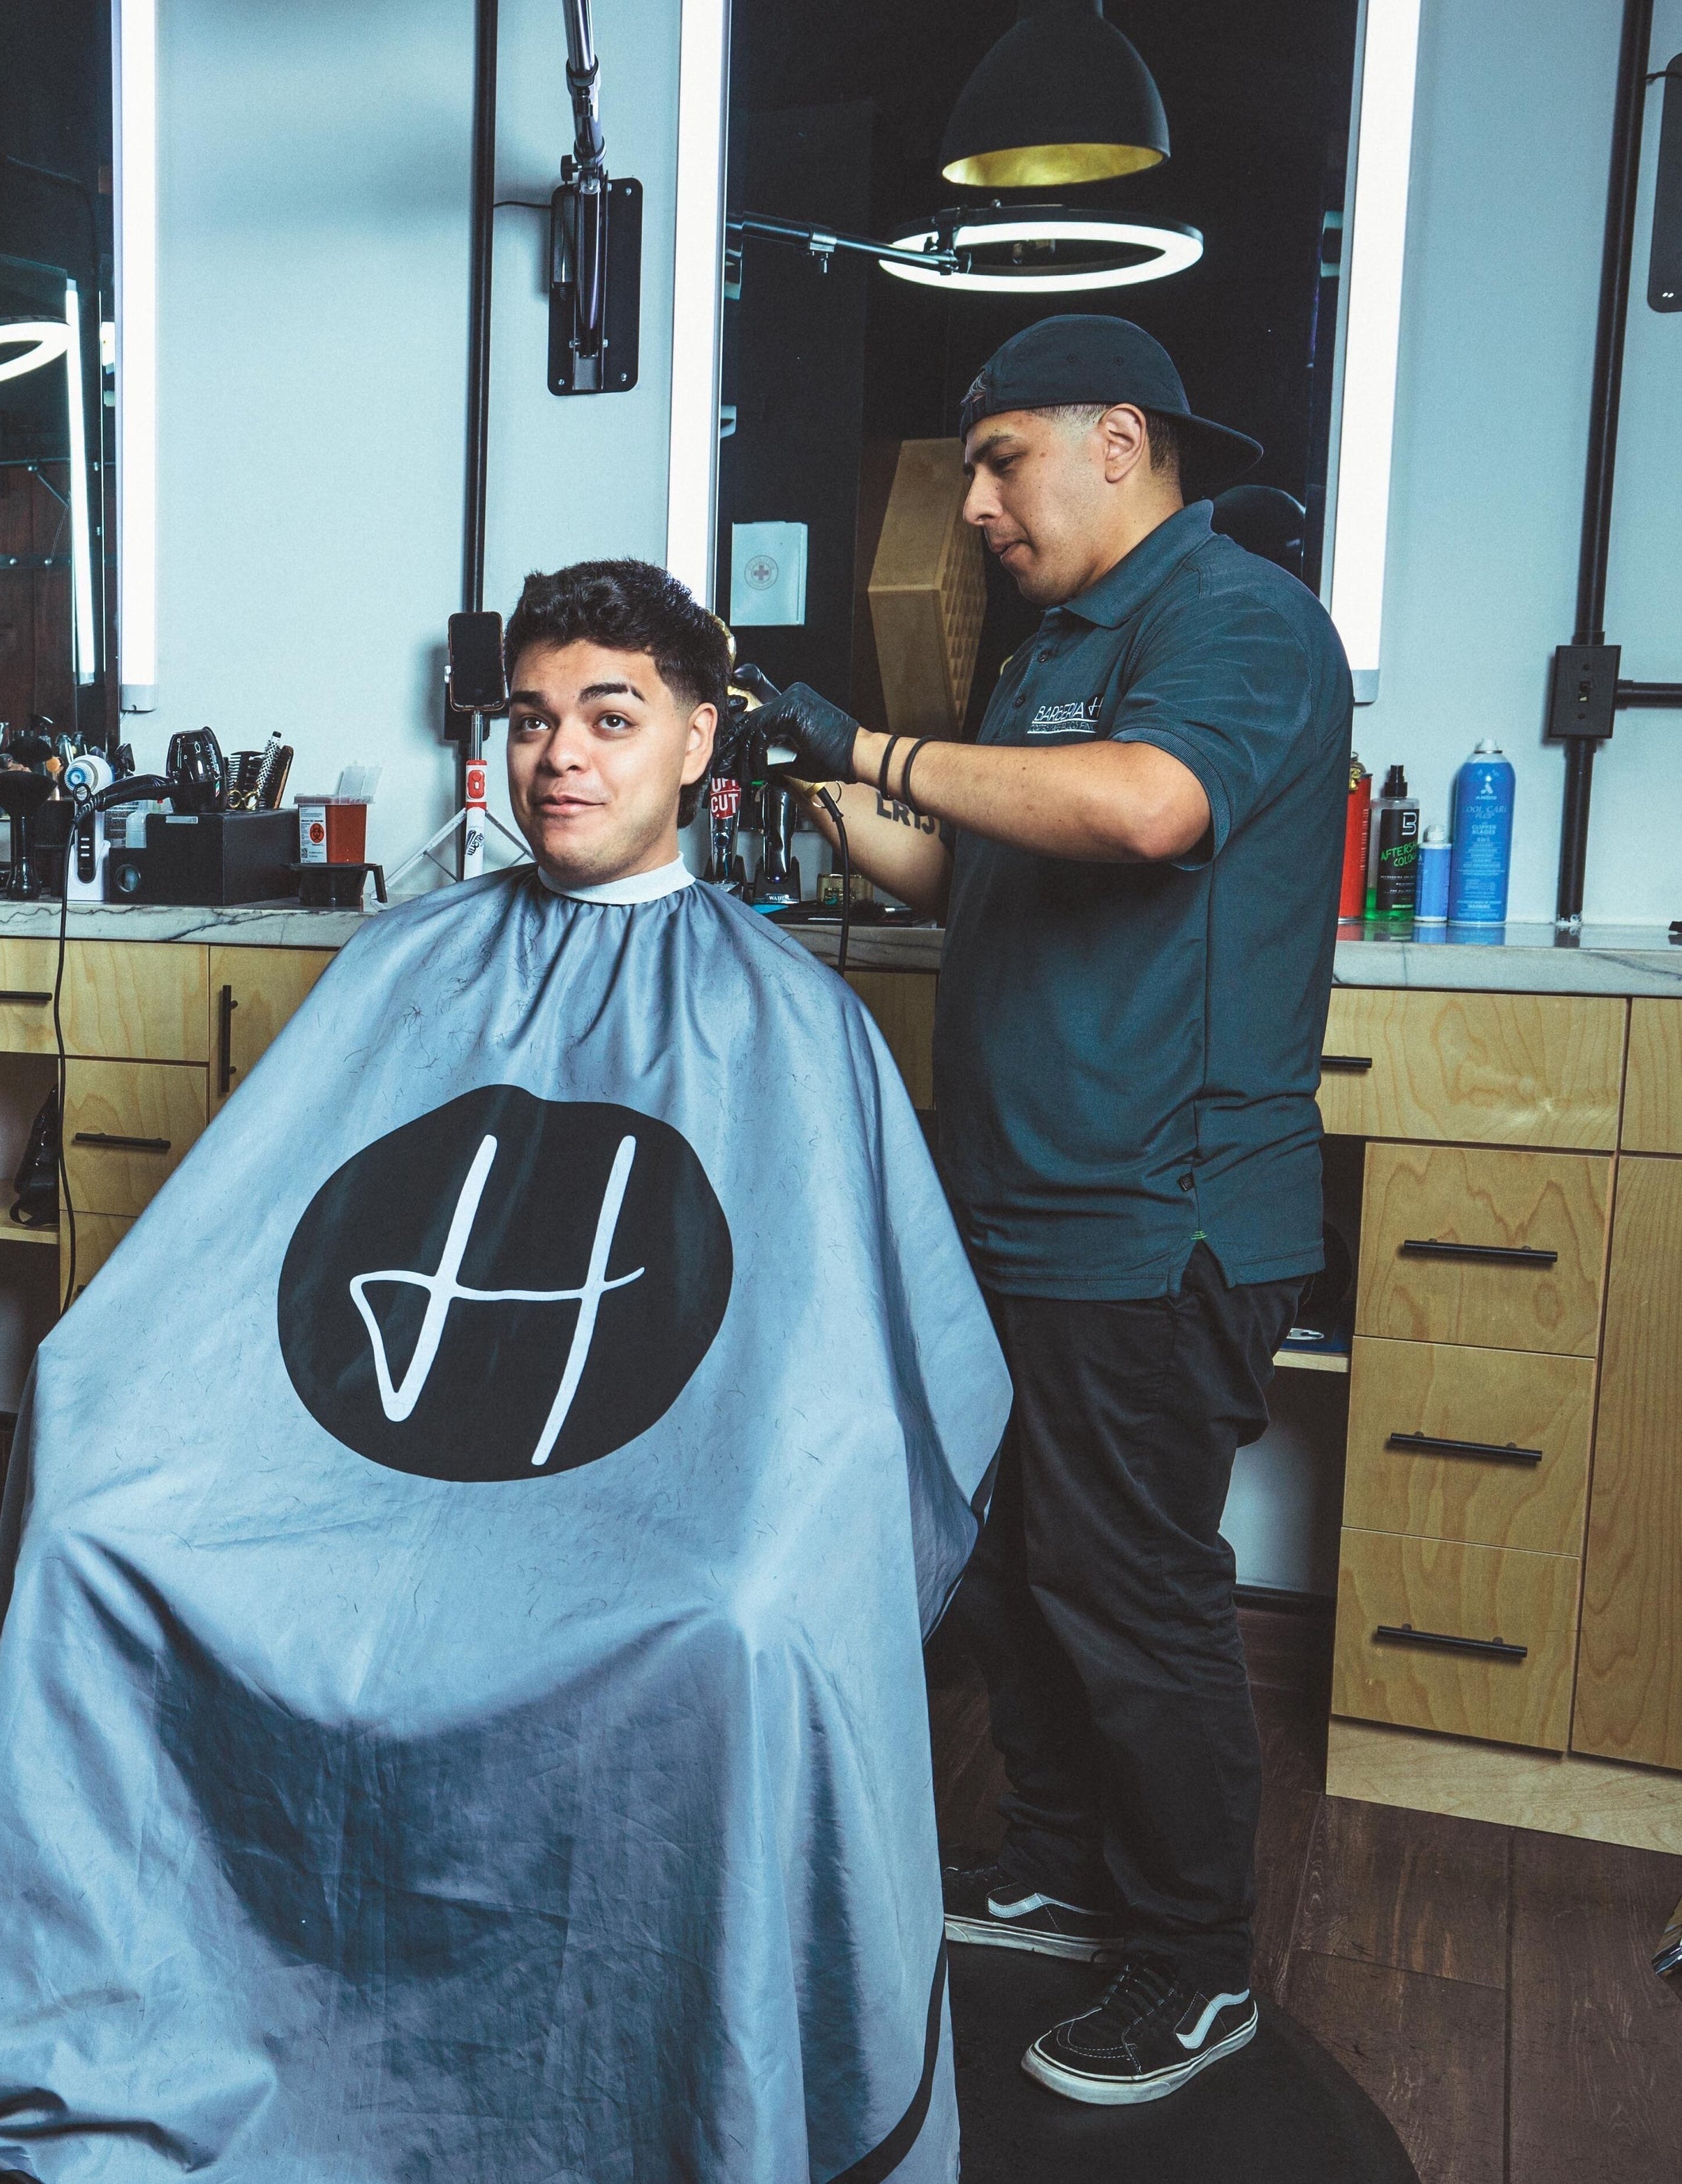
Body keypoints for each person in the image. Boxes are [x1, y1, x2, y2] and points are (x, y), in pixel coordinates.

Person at [0, 561, 1007, 2182]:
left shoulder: (794, 1019)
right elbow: (220, 1271)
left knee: (743, 1622)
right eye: (533, 720)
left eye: (611, 720)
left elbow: (851, 1385)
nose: (562, 757)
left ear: (701, 744)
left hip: (643, 1505)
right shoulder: (403, 966)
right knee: (94, 1526)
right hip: (352, 1479)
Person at [757, 315, 1352, 2106]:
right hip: (1015, 1200)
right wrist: (808, 766)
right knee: (1017, 1562)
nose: (979, 510)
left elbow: (1144, 809)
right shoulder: (1057, 647)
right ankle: (1051, 1861)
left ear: (1116, 438)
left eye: (1000, 464)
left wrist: (870, 736)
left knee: (1129, 1585)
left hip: (1147, 1211)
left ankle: (1188, 1961)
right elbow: (965, 868)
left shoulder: (1232, 617)